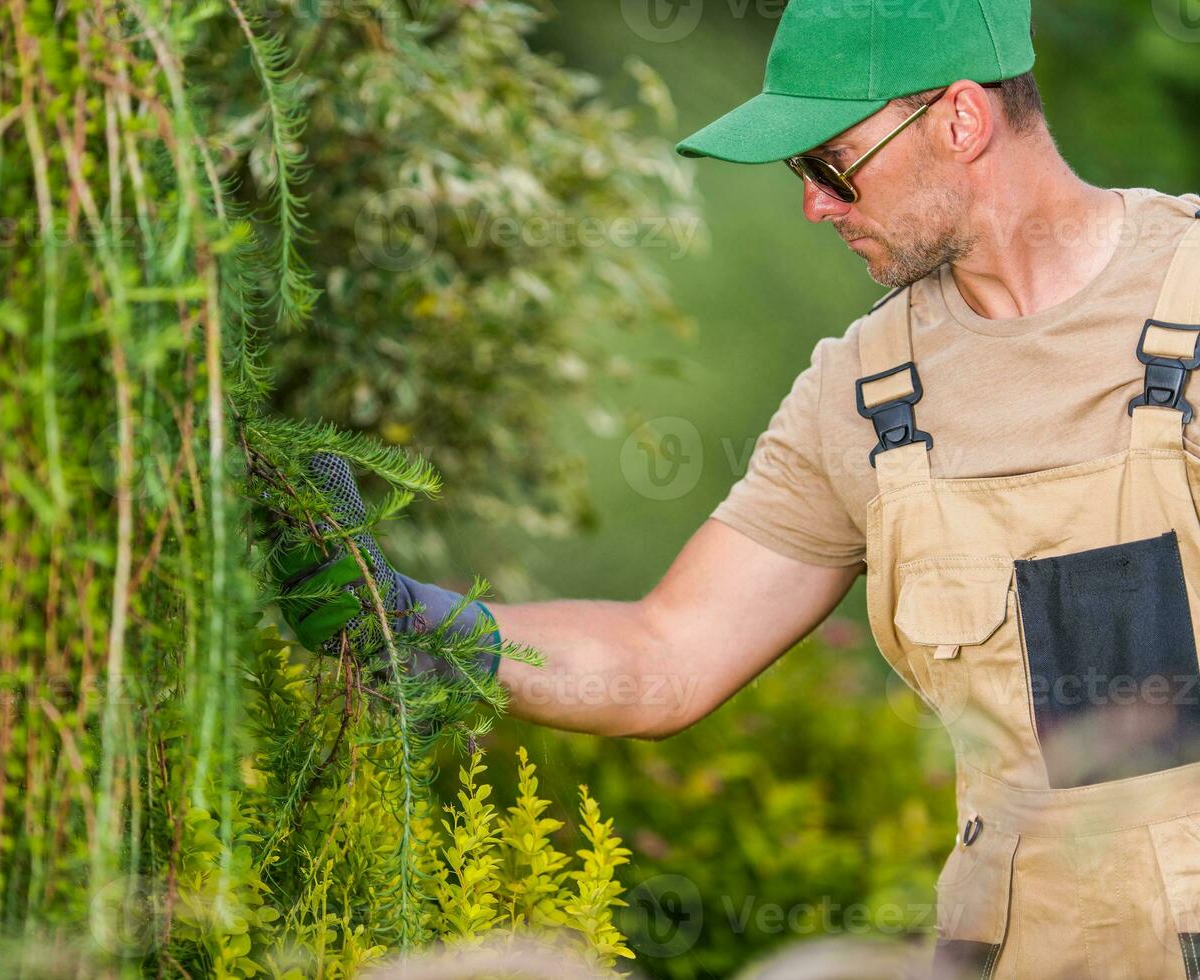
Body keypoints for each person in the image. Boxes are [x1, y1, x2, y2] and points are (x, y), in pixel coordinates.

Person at [282, 1, 1200, 976]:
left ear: (962, 120)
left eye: (829, 163)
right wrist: (421, 623)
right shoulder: (866, 392)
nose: (814, 204)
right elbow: (665, 651)